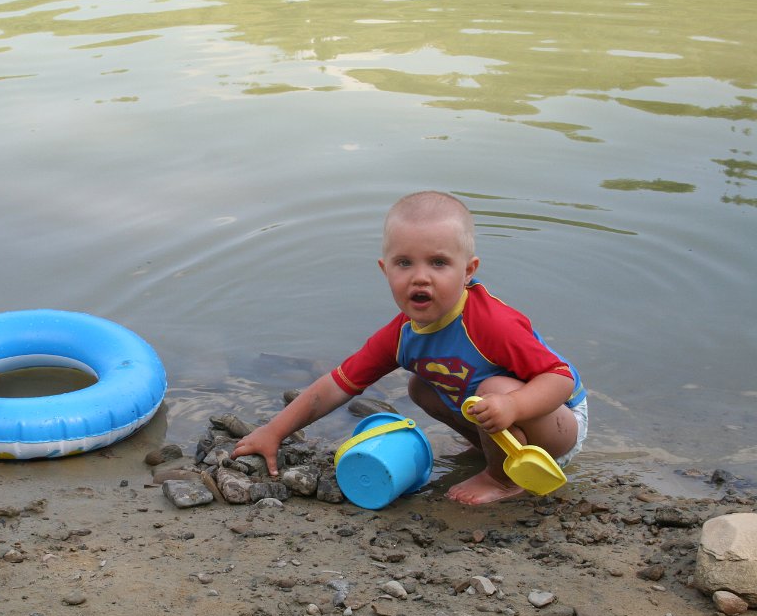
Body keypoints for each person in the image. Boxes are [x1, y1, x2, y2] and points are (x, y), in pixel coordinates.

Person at [232, 191, 587, 505]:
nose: (420, 276)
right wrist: (274, 431)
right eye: (404, 263)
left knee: (492, 389)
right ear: (385, 270)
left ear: (468, 270)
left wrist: (513, 406)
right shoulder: (401, 335)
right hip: (505, 411)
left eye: (438, 263)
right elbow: (336, 385)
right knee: (420, 386)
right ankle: (490, 448)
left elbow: (560, 379)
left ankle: (502, 478)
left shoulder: (492, 323)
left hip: (559, 421)